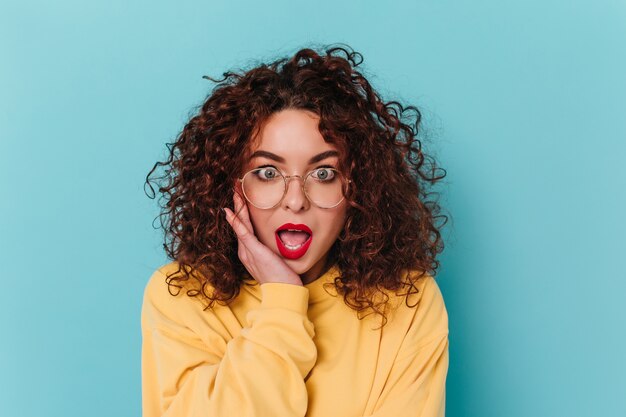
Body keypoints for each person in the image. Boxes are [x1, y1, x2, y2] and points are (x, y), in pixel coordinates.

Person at [141, 45, 450, 417]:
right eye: (268, 173)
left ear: (358, 188)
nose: (295, 201)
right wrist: (282, 306)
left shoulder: (408, 302)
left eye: (323, 174)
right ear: (233, 185)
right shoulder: (182, 296)